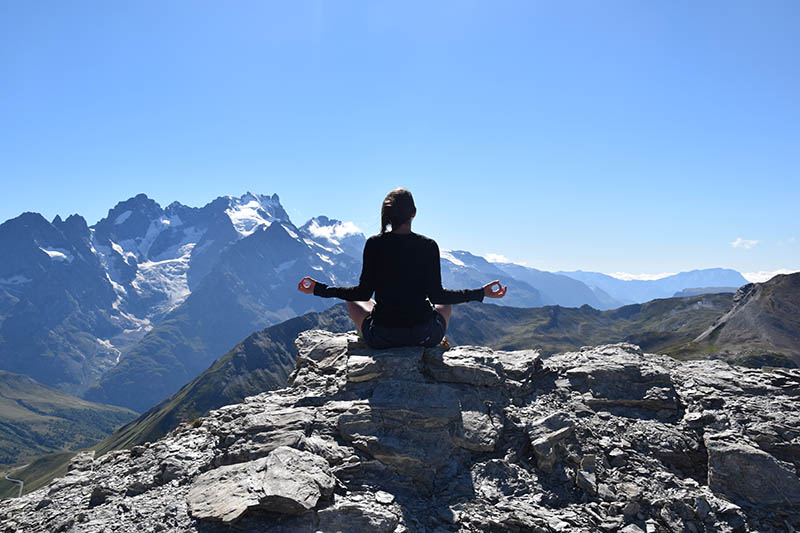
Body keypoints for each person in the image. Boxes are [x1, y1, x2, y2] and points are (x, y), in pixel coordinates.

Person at [297, 187, 507, 349]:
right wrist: (482, 293)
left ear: (387, 215)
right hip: (424, 336)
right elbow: (438, 296)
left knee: (354, 302)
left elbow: (362, 293)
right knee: (445, 306)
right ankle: (434, 339)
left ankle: (365, 337)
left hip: (382, 337)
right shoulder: (428, 245)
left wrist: (318, 289)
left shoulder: (374, 244)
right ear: (413, 214)